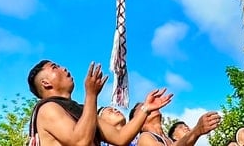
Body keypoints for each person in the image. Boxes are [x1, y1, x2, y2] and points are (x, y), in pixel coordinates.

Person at [26, 60, 171, 146]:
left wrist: (146, 108)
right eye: (54, 67)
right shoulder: (47, 108)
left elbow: (120, 138)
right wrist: (91, 95)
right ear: (45, 83)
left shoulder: (83, 112)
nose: (63, 68)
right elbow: (80, 143)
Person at [131, 103, 219, 145]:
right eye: (143, 107)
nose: (150, 106)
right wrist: (196, 131)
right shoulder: (145, 137)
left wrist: (196, 132)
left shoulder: (170, 141)